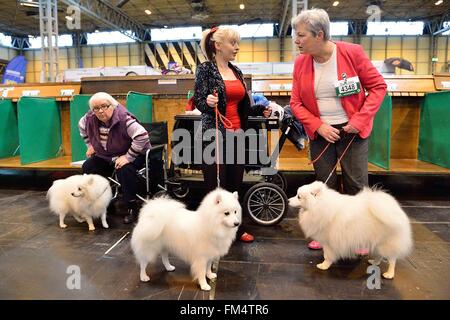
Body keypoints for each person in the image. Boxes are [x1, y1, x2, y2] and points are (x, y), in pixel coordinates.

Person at [290, 9, 387, 250]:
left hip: (352, 131)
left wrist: (360, 120)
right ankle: (325, 234)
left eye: (301, 35)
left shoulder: (352, 53)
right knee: (323, 187)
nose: (296, 40)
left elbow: (378, 87)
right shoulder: (301, 62)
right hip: (321, 133)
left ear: (319, 34)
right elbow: (296, 103)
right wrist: (318, 126)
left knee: (356, 185)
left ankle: (360, 236)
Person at [194, 26, 272, 243]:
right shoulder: (205, 70)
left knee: (234, 186)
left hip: (237, 134)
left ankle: (235, 228)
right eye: (233, 43)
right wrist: (208, 103)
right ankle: (211, 231)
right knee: (215, 189)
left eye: (237, 43)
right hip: (214, 135)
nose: (237, 47)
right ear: (218, 45)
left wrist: (258, 109)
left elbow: (243, 104)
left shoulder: (236, 71)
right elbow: (200, 102)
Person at [78, 92, 151, 224]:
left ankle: (132, 208)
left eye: (104, 106)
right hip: (107, 155)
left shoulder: (124, 119)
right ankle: (104, 203)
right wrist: (90, 145)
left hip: (132, 153)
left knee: (124, 169)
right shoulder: (88, 119)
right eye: (96, 108)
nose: (100, 111)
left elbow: (142, 136)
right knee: (88, 167)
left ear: (113, 105)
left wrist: (128, 157)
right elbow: (82, 128)